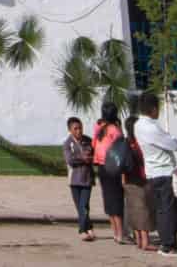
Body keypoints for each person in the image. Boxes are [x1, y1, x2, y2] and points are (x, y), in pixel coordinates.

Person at [135, 93, 177, 257]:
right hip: (163, 172)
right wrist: (172, 138)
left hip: (153, 172)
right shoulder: (151, 128)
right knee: (168, 211)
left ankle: (169, 242)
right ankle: (167, 245)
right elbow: (174, 145)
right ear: (153, 109)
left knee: (165, 210)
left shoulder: (139, 125)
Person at [93, 101, 127, 245]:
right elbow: (122, 150)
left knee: (108, 199)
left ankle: (115, 232)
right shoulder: (115, 130)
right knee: (117, 200)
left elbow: (94, 144)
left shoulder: (98, 127)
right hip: (113, 167)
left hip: (101, 167)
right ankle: (120, 233)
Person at [122, 107, 154, 252]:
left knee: (133, 210)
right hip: (141, 179)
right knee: (143, 210)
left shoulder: (125, 142)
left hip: (128, 179)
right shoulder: (140, 143)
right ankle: (145, 241)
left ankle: (139, 240)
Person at [64, 116, 96, 241]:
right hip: (74, 180)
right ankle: (89, 227)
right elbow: (70, 160)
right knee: (80, 207)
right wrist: (83, 158)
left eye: (80, 128)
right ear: (70, 130)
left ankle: (82, 230)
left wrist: (90, 159)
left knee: (84, 205)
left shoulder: (88, 141)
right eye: (75, 129)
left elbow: (95, 156)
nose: (79, 131)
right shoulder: (68, 144)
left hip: (87, 178)